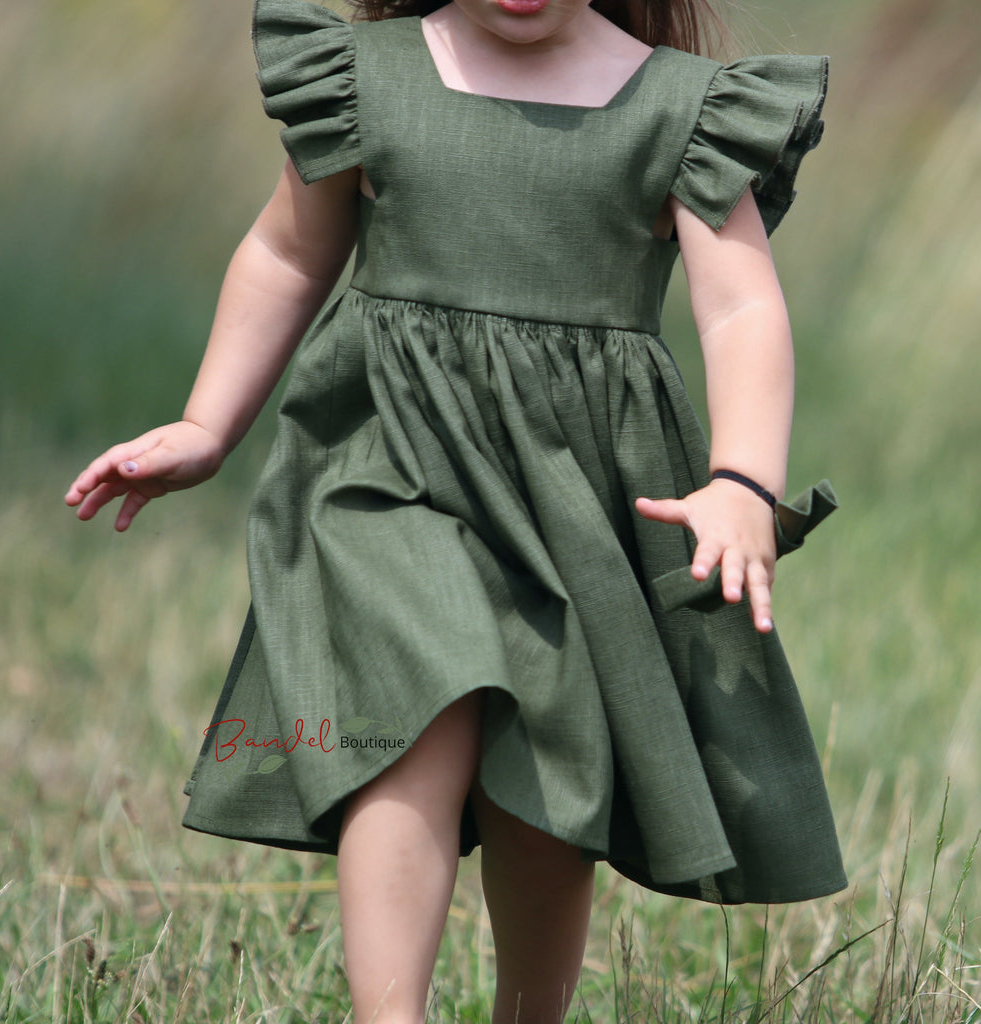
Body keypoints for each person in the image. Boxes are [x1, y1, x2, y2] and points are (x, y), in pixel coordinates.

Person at [66, 0, 846, 1019]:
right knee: (407, 712)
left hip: (573, 493)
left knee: (549, 761)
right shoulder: (366, 76)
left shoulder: (679, 108)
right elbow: (289, 252)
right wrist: (206, 423)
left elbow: (741, 305)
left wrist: (741, 483)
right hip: (390, 460)